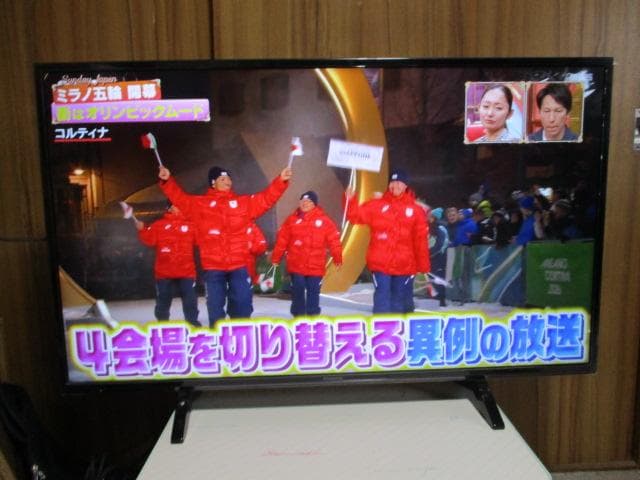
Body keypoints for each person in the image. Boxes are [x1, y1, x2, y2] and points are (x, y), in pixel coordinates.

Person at [158, 164, 292, 327]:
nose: (227, 181)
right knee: (215, 307)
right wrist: (167, 181)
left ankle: (239, 332)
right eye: (222, 179)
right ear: (213, 183)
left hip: (238, 265)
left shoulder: (242, 203)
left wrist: (281, 181)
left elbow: (265, 199)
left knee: (242, 303)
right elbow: (180, 199)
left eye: (229, 178)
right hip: (213, 267)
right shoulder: (200, 205)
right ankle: (218, 335)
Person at [346, 169, 430, 314]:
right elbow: (355, 216)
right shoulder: (377, 205)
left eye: (399, 182)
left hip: (404, 264)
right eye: (392, 182)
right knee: (382, 298)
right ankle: (381, 326)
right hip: (380, 262)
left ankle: (398, 326)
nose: (395, 185)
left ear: (405, 186)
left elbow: (420, 240)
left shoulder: (416, 211)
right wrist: (350, 199)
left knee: (399, 300)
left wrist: (423, 265)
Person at [272, 191, 342, 316]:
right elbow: (282, 240)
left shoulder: (324, 221)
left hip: (316, 266)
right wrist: (276, 258)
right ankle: (298, 316)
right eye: (303, 201)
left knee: (313, 292)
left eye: (308, 201)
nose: (305, 204)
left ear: (314, 204)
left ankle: (312, 316)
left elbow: (334, 241)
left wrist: (337, 257)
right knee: (297, 290)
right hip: (296, 265)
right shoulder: (292, 220)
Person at [135, 202, 200, 327]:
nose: (180, 207)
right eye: (176, 205)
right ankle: (162, 323)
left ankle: (192, 322)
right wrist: (142, 230)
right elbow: (150, 240)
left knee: (190, 298)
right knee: (163, 299)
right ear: (169, 208)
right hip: (164, 272)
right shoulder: (159, 225)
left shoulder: (191, 225)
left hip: (186, 271)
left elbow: (200, 240)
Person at [427, 207, 449, 307]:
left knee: (439, 278)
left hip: (439, 258)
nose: (428, 218)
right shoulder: (430, 229)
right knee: (431, 277)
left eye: (431, 217)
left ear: (435, 218)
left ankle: (441, 299)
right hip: (431, 258)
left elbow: (440, 245)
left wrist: (430, 253)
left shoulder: (440, 229)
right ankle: (433, 297)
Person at [246, 222, 268, 286]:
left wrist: (251, 246)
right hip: (229, 270)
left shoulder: (252, 227)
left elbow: (262, 245)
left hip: (249, 270)